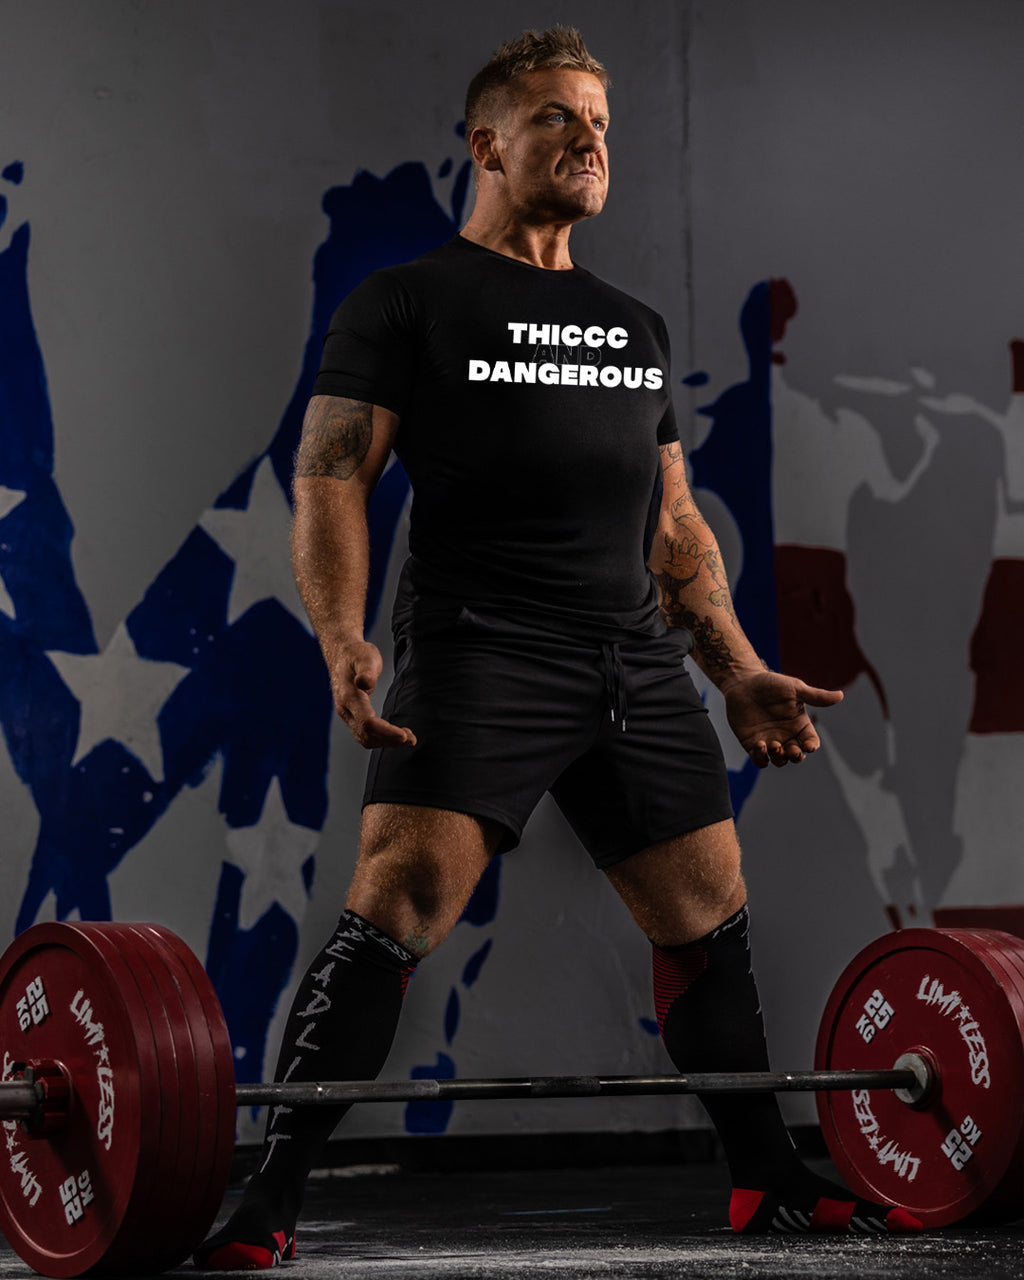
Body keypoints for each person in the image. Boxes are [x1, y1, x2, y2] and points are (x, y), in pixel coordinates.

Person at [194, 26, 921, 1270]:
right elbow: (331, 477)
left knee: (707, 907)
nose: (588, 137)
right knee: (402, 903)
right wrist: (338, 633)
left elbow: (674, 521)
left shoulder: (628, 326)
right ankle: (271, 1194)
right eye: (554, 118)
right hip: (483, 646)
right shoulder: (406, 299)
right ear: (485, 143)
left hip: (630, 657)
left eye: (599, 120)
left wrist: (733, 663)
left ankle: (763, 1178)